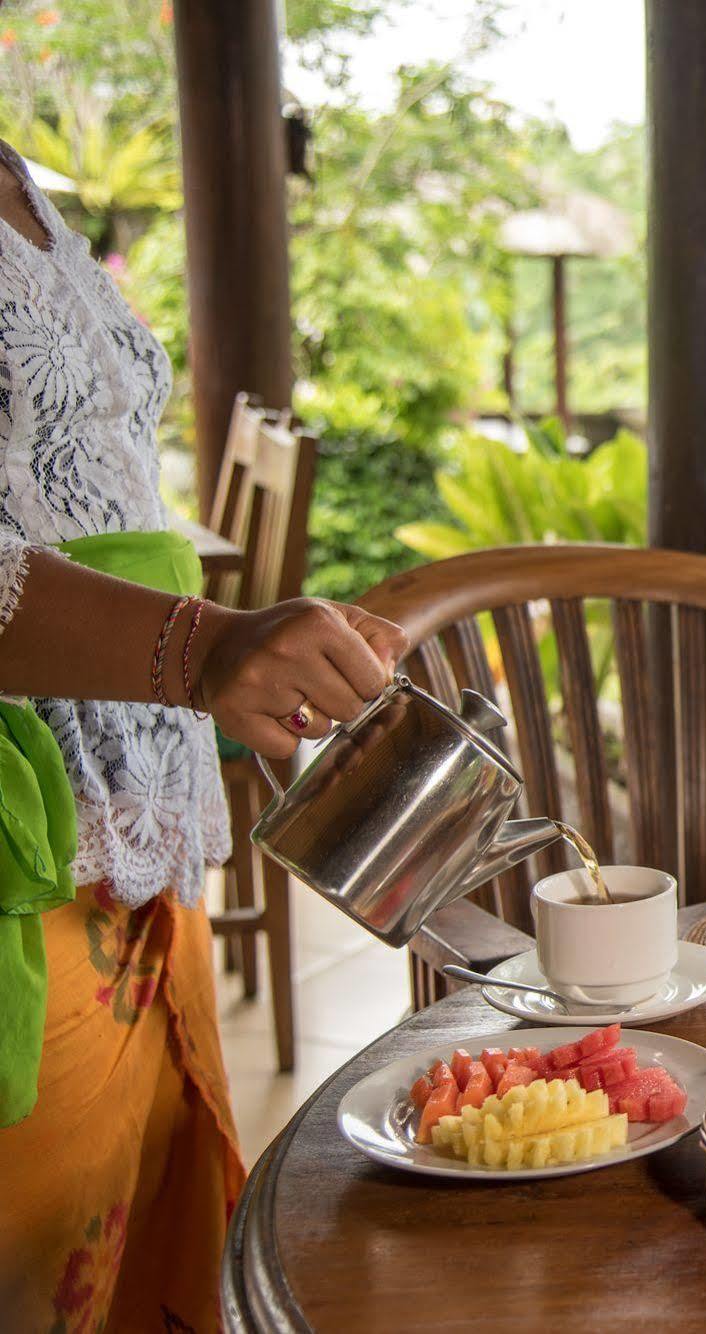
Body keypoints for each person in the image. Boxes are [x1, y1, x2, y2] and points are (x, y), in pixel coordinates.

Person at [0, 138, 408, 1330]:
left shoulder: (20, 165)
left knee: (148, 1253)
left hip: (129, 816)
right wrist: (196, 646)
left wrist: (236, 658)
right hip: (30, 844)